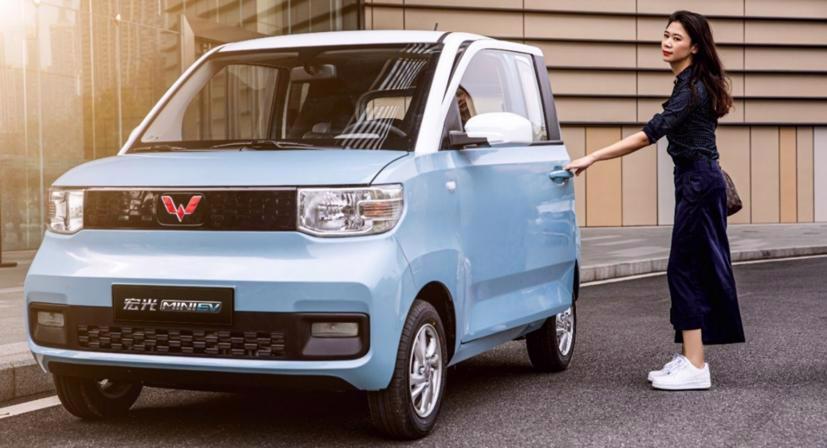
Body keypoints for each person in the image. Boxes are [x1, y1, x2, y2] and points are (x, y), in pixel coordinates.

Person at [564, 10, 745, 391]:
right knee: (689, 267)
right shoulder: (690, 84)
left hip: (699, 183)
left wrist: (592, 157)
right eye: (666, 35)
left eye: (677, 38)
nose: (667, 43)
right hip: (696, 181)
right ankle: (690, 356)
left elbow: (650, 134)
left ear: (694, 47)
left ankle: (696, 366)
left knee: (684, 269)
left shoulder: (691, 90)